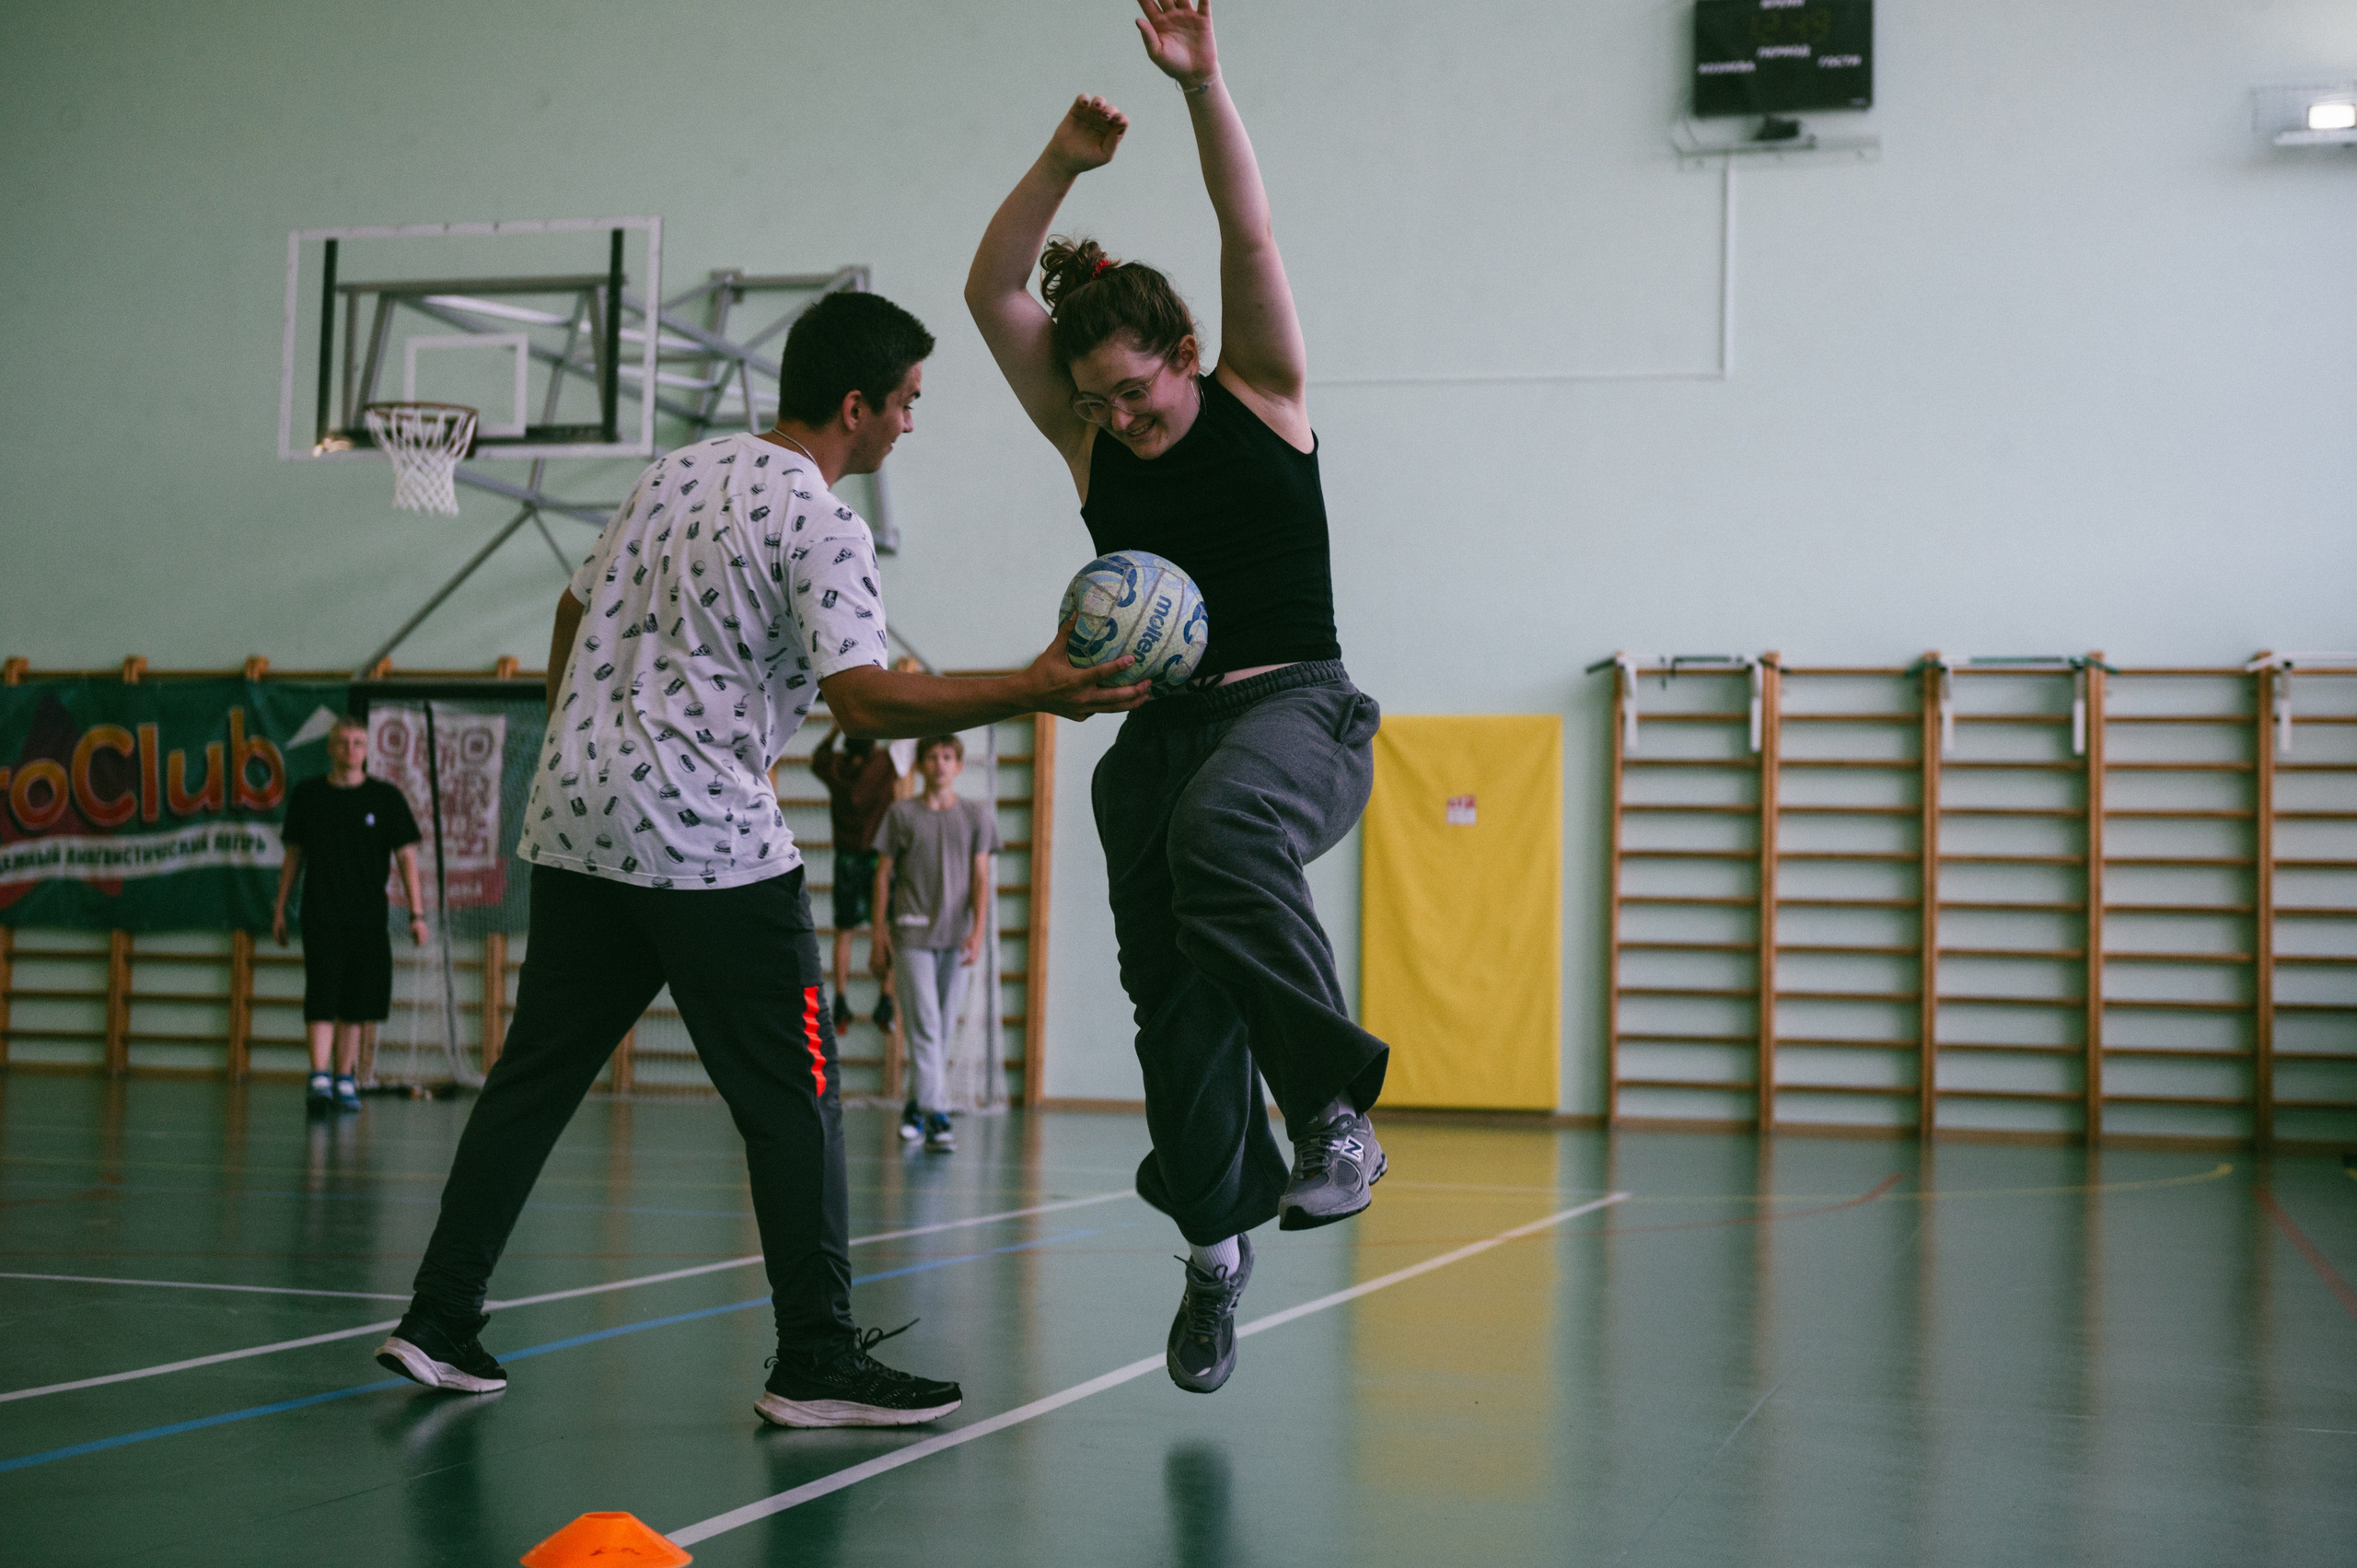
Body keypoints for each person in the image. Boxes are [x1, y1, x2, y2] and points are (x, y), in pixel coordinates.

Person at [375, 290, 1148, 1426]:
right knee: (796, 1095)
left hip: (580, 817)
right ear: (855, 405)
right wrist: (1035, 686)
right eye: (908, 403)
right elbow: (865, 699)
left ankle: (439, 1317)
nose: (910, 426)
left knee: (532, 1076)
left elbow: (569, 604)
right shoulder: (821, 521)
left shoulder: (673, 473)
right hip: (707, 844)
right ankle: (815, 1357)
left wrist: (586, 736)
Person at [966, 0, 1389, 1396]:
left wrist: (1205, 86)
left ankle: (1332, 1110)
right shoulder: (1090, 441)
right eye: (1100, 403)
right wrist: (1058, 162)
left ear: (1183, 355)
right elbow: (993, 294)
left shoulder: (1264, 390)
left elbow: (1247, 230)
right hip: (1161, 736)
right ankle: (1215, 1250)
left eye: (1140, 393)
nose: (1125, 420)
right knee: (1170, 1001)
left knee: (1224, 837)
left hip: (1297, 710)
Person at [273, 716, 428, 1114]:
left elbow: (407, 857)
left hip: (368, 916)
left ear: (367, 748)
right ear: (329, 747)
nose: (350, 748)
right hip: (320, 912)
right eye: (342, 742)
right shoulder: (309, 796)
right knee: (322, 992)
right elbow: (293, 855)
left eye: (358, 742)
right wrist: (279, 908)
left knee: (357, 1000)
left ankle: (345, 1077)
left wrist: (417, 912)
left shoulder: (385, 798)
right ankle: (319, 1076)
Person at [870, 734, 1000, 1151]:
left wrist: (978, 931)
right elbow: (883, 875)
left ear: (959, 766)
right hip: (911, 933)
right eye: (932, 757)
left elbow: (981, 877)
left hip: (956, 935)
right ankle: (939, 1117)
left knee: (940, 1031)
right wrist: (878, 933)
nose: (940, 764)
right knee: (926, 1024)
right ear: (922, 765)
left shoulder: (976, 815)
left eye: (948, 757)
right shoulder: (900, 813)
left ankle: (914, 1107)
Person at [807, 725, 900, 1033]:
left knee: (845, 931)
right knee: (886, 927)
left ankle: (841, 998)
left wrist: (834, 728)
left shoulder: (836, 768)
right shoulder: (885, 765)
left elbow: (818, 757)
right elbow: (907, 742)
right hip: (879, 859)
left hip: (846, 858)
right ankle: (886, 998)